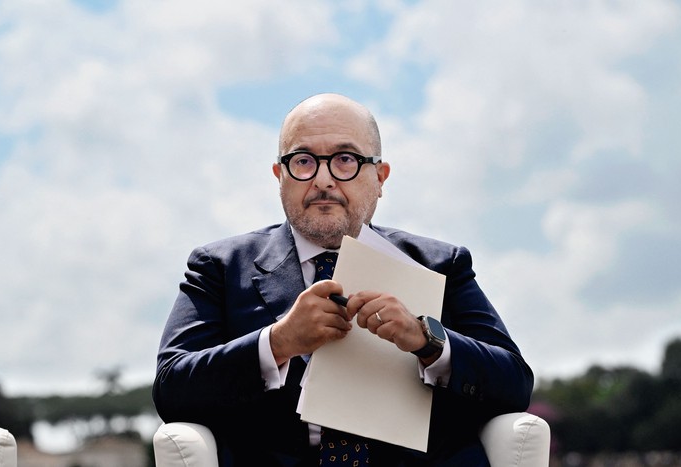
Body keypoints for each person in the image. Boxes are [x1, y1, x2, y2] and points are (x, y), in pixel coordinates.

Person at [153, 93, 534, 466]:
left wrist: (427, 339)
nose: (323, 179)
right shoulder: (219, 267)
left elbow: (515, 383)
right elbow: (171, 389)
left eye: (345, 160)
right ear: (279, 176)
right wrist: (278, 342)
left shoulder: (440, 264)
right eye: (303, 161)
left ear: (380, 177)